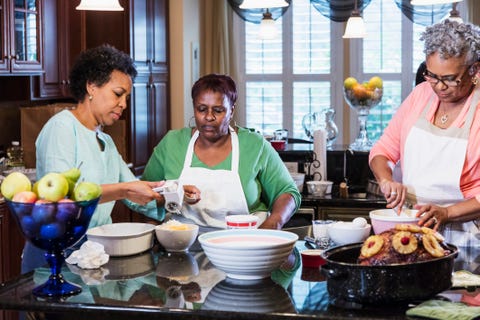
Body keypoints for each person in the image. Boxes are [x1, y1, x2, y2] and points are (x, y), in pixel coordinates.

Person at [22, 44, 193, 273]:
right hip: (57, 251)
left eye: (126, 98)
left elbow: (133, 192)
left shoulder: (106, 141)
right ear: (91, 86)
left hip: (94, 252)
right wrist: (124, 190)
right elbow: (62, 199)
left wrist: (173, 193)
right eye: (118, 94)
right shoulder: (61, 128)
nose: (123, 104)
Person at [369, 19, 480, 248]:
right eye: (432, 75)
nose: (439, 86)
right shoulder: (420, 95)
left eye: (449, 78)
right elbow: (383, 150)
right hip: (414, 228)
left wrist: (447, 212)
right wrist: (387, 180)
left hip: (470, 235)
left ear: (474, 70)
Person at [142, 73, 301, 232]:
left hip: (248, 242)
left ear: (231, 111)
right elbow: (144, 194)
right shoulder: (172, 143)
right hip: (183, 243)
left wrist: (274, 222)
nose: (209, 117)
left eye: (218, 110)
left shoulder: (255, 145)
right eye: (201, 109)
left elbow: (287, 192)